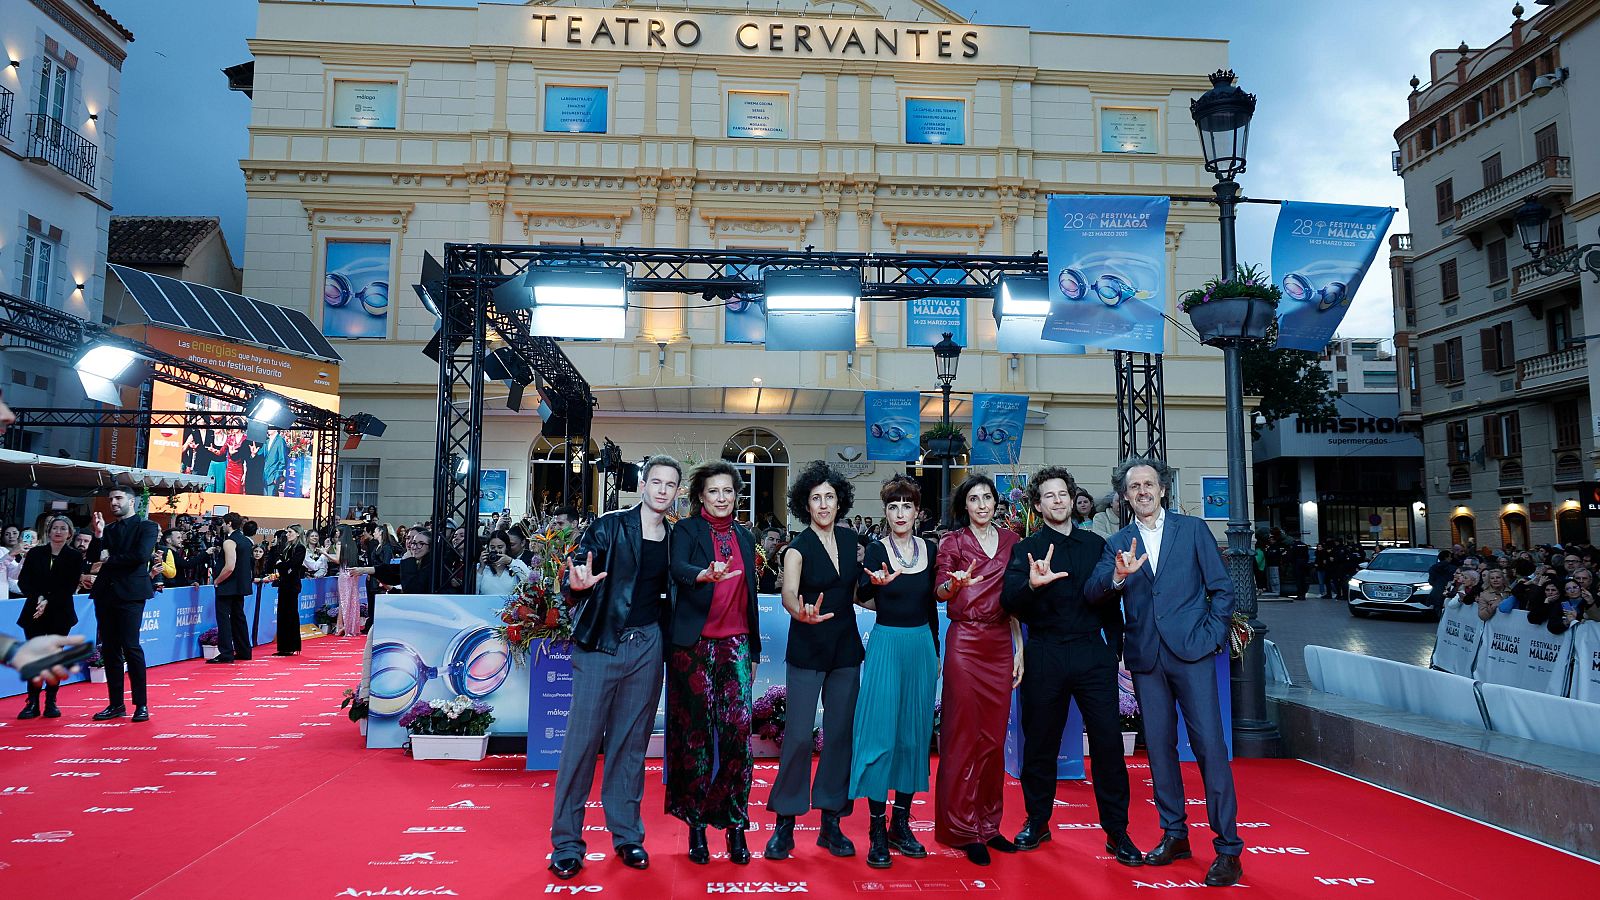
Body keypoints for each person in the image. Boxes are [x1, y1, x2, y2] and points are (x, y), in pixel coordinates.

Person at [1086, 456, 1243, 887]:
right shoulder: (1117, 541)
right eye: (1133, 486)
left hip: (1192, 653)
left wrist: (1210, 635)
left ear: (1163, 489)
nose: (1142, 491)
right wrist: (1117, 577)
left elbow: (1222, 590)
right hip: (1146, 658)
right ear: (1124, 496)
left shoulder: (1192, 531)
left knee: (1210, 746)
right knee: (1158, 749)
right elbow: (1094, 590)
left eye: (1148, 484)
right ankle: (1174, 833)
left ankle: (1228, 848)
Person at [547, 455, 681, 880]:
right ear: (641, 485)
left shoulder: (676, 538)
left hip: (649, 646)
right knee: (582, 745)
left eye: (670, 484)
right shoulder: (610, 524)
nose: (662, 489)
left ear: (677, 492)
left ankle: (627, 837)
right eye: (655, 481)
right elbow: (579, 568)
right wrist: (575, 585)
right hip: (601, 645)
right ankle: (567, 843)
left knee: (630, 747)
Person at [1000, 467, 1141, 865]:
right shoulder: (1026, 549)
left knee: (1109, 744)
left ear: (1071, 498)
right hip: (1045, 653)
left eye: (1063, 493)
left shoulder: (1097, 544)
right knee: (1040, 743)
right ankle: (1037, 820)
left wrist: (1113, 650)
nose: (1058, 501)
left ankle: (1117, 832)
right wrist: (1032, 584)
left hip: (1091, 655)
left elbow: (1112, 600)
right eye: (1049, 495)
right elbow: (1008, 602)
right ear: (1038, 504)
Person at [765, 461, 864, 862]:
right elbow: (790, 593)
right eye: (815, 498)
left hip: (846, 649)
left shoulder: (851, 539)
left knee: (839, 735)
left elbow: (858, 594)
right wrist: (798, 611)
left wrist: (893, 595)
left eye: (829, 497)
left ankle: (831, 824)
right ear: (805, 504)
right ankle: (785, 825)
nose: (823, 504)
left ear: (840, 501)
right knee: (800, 736)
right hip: (807, 648)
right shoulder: (797, 548)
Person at [666, 461, 763, 865]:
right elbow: (677, 568)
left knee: (739, 738)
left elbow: (751, 597)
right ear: (700, 497)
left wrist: (754, 650)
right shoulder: (686, 531)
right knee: (696, 740)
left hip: (736, 645)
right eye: (713, 492)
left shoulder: (745, 534)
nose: (722, 498)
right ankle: (696, 826)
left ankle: (736, 825)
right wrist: (702, 574)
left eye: (728, 491)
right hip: (693, 647)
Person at [933, 473, 1023, 866]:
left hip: (1001, 642)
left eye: (988, 497)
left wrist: (1019, 648)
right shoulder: (952, 542)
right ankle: (962, 828)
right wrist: (954, 584)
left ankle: (989, 825)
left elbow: (1016, 600)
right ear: (964, 506)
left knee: (992, 739)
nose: (982, 504)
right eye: (974, 499)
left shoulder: (1011, 541)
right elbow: (939, 591)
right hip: (966, 643)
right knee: (963, 735)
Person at [848, 475, 937, 869]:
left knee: (913, 736)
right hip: (886, 643)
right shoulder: (874, 551)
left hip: (921, 646)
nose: (900, 513)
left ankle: (901, 823)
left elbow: (933, 604)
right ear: (885, 512)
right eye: (893, 506)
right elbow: (861, 596)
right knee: (879, 734)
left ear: (917, 512)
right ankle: (876, 829)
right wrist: (876, 587)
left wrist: (935, 651)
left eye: (907, 506)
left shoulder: (930, 551)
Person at [88, 486, 160, 722]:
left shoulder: (146, 526)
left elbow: (140, 556)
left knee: (131, 647)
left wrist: (108, 560)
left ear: (132, 501)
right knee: (109, 649)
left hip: (131, 594)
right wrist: (98, 537)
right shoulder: (107, 530)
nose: (113, 503)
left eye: (118, 498)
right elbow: (92, 558)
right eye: (111, 499)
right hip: (105, 594)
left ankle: (141, 705)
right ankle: (116, 704)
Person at [15, 516, 83, 719]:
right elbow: (23, 582)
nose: (58, 531)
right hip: (34, 611)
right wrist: (40, 598)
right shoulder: (36, 553)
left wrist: (48, 601)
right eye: (55, 528)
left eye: (63, 528)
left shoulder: (74, 556)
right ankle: (32, 702)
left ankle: (51, 701)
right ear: (48, 531)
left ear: (69, 534)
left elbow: (69, 586)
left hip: (60, 612)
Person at [208, 512, 255, 664]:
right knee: (239, 618)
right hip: (240, 586)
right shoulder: (246, 541)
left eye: (223, 523)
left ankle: (226, 653)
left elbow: (229, 566)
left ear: (229, 523)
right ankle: (244, 651)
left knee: (224, 620)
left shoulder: (229, 542)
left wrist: (217, 580)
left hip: (227, 585)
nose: (222, 525)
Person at [272, 529, 307, 656]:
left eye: (290, 532)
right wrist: (282, 565)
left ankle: (292, 646)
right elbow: (278, 562)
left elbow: (293, 564)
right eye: (287, 532)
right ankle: (283, 647)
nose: (287, 534)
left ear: (298, 533)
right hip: (284, 583)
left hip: (292, 585)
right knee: (282, 614)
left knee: (290, 614)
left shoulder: (300, 548)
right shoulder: (286, 548)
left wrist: (282, 565)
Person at [757, 527, 785, 595]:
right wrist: (776, 584)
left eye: (778, 541)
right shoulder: (754, 561)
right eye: (771, 539)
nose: (775, 543)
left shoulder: (778, 564)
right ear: (762, 542)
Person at [262, 427, 288, 497]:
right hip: (265, 477)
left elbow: (283, 461)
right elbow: (260, 455)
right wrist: (254, 454)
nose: (268, 428)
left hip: (273, 477)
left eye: (270, 426)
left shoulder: (280, 441)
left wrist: (277, 476)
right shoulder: (266, 441)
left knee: (271, 502)